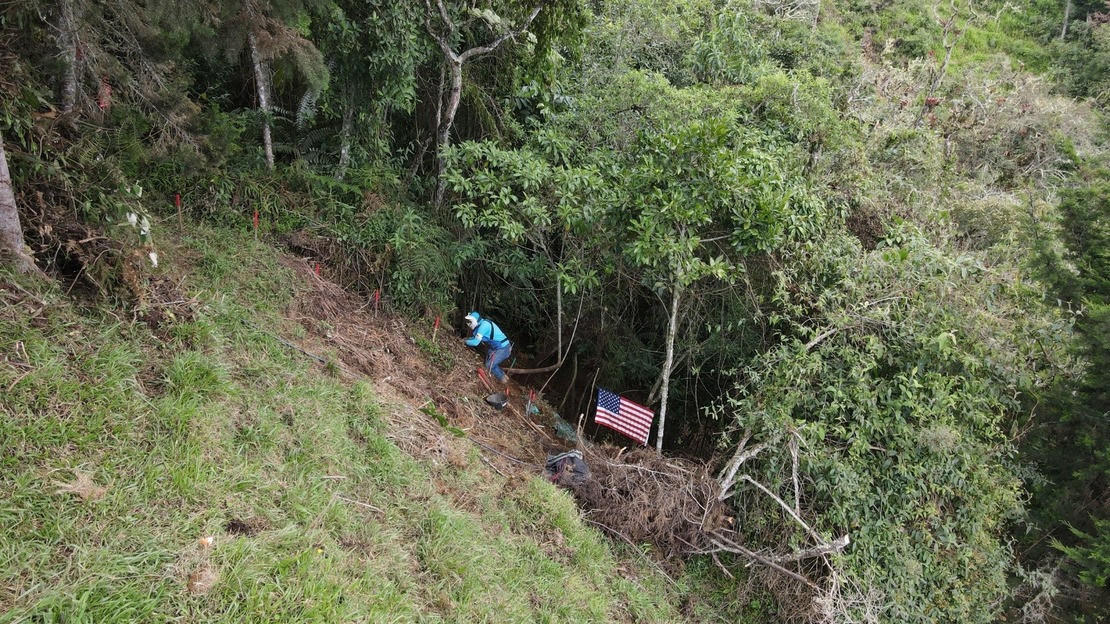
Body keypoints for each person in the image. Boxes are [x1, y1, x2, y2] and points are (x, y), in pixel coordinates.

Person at [463, 311, 512, 384]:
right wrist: (468, 339)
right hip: (497, 347)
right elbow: (475, 338)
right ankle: (503, 375)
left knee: (488, 365)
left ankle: (502, 378)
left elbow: (475, 342)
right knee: (490, 359)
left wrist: (465, 341)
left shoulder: (483, 326)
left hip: (503, 348)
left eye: (470, 321)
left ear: (475, 320)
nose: (469, 324)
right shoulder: (482, 324)